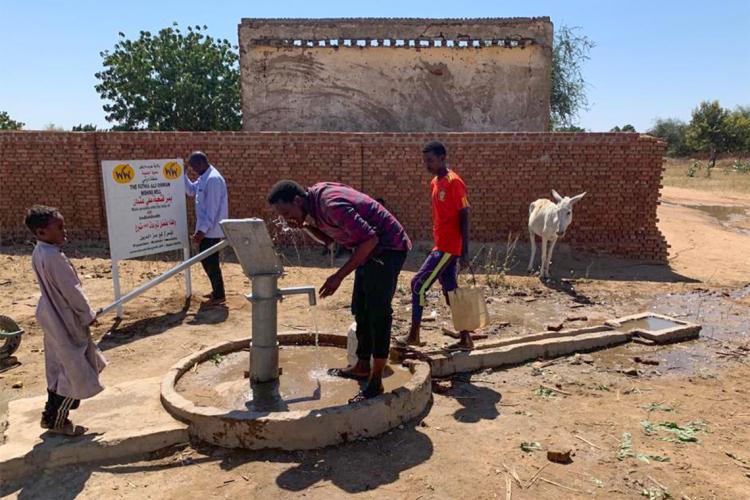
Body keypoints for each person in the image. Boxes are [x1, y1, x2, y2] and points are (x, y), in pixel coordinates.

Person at [267, 181, 411, 403]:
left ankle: (376, 381)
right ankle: (362, 366)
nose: (286, 219)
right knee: (360, 309)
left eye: (287, 213)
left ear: (297, 200)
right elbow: (329, 240)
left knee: (378, 312)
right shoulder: (313, 205)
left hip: (388, 248)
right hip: (368, 249)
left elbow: (370, 239)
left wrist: (338, 276)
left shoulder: (330, 204)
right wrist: (304, 225)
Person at [26, 205, 107, 436]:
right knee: (74, 370)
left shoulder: (40, 252)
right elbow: (72, 292)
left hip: (52, 316)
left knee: (65, 367)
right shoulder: (54, 258)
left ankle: (52, 414)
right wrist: (87, 315)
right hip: (64, 318)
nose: (65, 231)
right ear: (42, 232)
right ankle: (55, 420)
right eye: (59, 228)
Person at [396, 140, 474, 350]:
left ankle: (414, 335)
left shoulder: (453, 181)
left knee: (418, 284)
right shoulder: (435, 182)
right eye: (425, 161)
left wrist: (464, 251)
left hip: (449, 248)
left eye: (430, 160)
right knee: (451, 293)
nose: (427, 164)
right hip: (441, 244)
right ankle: (466, 339)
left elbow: (465, 214)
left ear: (442, 158)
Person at [184, 151, 229, 305]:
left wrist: (202, 231)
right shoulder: (203, 177)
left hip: (212, 230)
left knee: (211, 262)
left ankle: (219, 295)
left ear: (202, 163)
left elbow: (212, 209)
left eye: (195, 166)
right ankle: (216, 291)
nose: (194, 170)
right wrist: (182, 175)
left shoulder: (213, 179)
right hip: (206, 230)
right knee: (206, 260)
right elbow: (190, 191)